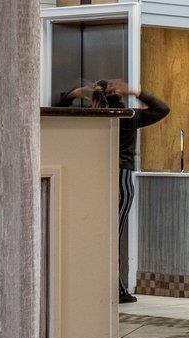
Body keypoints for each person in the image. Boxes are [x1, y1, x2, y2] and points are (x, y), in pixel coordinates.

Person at [62, 79, 169, 302]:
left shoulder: (92, 116)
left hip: (94, 179)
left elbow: (60, 108)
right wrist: (136, 92)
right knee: (112, 235)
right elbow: (162, 109)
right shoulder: (128, 115)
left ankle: (103, 287)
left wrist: (74, 93)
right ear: (119, 96)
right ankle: (115, 289)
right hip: (120, 179)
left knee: (97, 233)